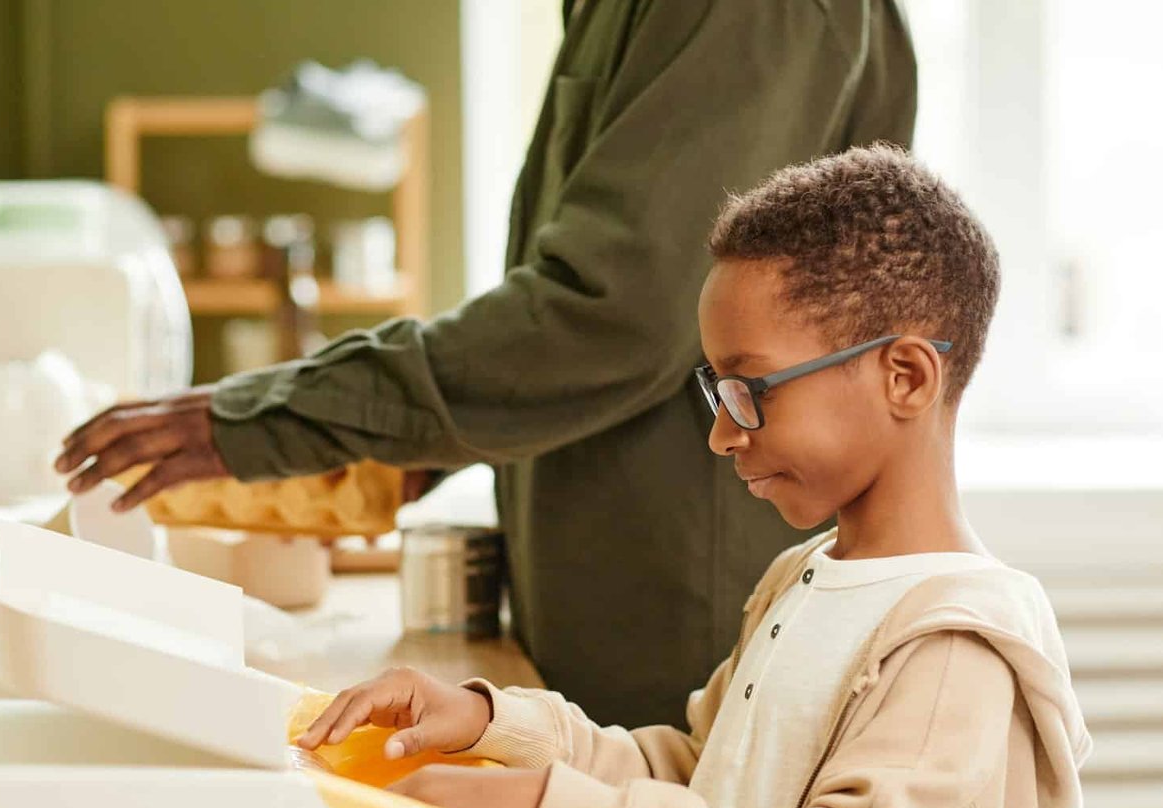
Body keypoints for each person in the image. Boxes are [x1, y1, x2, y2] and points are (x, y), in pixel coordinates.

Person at [296, 146, 1092, 808]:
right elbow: (696, 778)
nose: (722, 432)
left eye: (750, 391)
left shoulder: (957, 653)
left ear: (905, 377)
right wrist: (489, 725)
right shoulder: (802, 581)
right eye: (715, 390)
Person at [55, 0, 917, 734]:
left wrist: (276, 416)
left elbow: (609, 314)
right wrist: (418, 436)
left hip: (682, 636)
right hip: (621, 634)